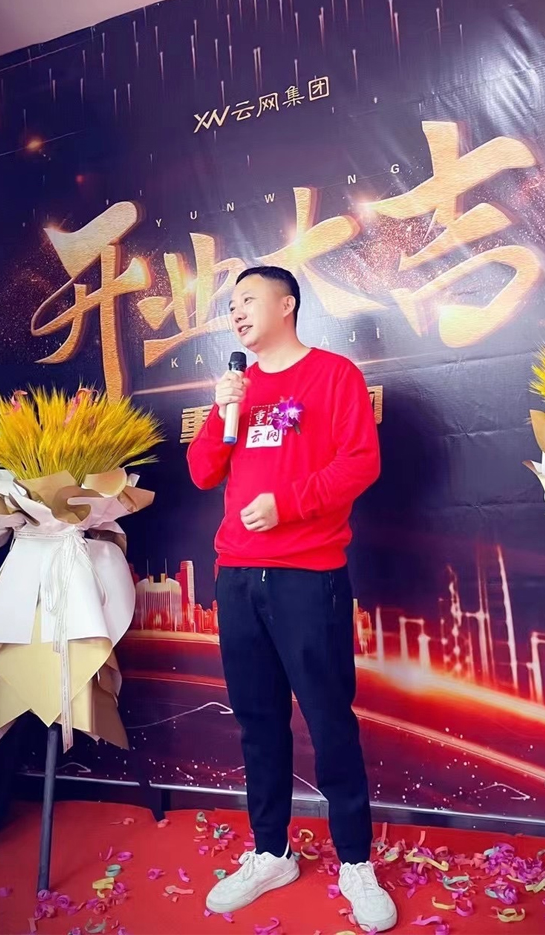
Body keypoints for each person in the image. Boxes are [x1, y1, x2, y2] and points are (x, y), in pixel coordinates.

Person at [187, 266, 396, 932]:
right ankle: (271, 852)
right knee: (258, 721)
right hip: (237, 575)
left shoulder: (334, 376)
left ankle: (355, 860)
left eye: (248, 299)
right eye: (231, 304)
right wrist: (223, 410)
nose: (236, 311)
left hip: (308, 574)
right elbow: (202, 472)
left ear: (287, 304)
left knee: (329, 720)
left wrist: (288, 504)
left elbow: (361, 462)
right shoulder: (238, 388)